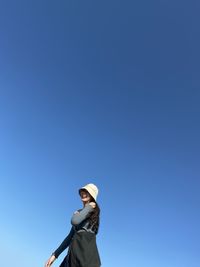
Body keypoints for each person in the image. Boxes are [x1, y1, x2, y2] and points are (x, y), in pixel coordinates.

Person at [45, 183, 101, 267]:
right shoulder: (81, 212)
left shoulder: (93, 211)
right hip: (73, 255)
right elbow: (69, 237)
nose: (83, 193)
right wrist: (55, 255)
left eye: (87, 191)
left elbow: (74, 221)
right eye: (82, 191)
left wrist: (88, 207)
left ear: (92, 195)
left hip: (85, 258)